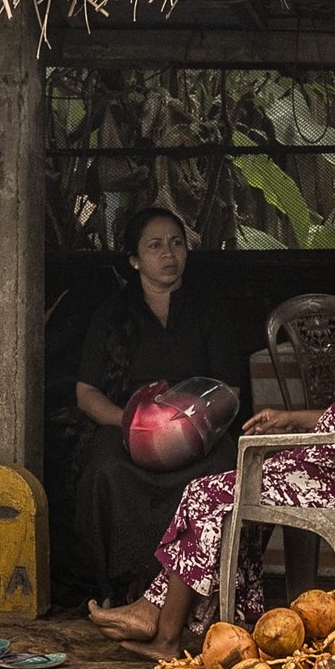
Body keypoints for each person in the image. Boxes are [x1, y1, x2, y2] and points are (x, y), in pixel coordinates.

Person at [88, 219, 335, 660]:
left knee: (206, 495)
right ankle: (161, 610)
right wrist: (293, 418)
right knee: (233, 492)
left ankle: (166, 633)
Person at [59, 207, 250, 606]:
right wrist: (132, 425)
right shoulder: (112, 312)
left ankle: (204, 593)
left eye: (177, 244)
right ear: (134, 260)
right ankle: (127, 588)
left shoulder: (208, 310)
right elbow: (86, 392)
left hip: (199, 433)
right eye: (155, 246)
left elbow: (229, 389)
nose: (169, 254)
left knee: (221, 470)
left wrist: (188, 427)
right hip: (127, 432)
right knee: (105, 470)